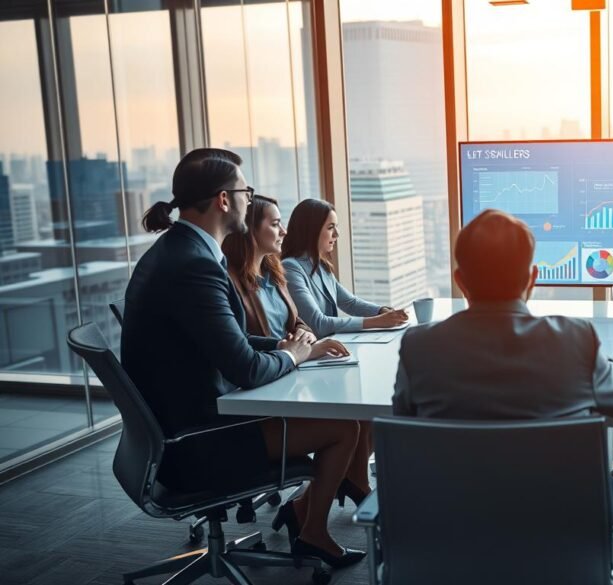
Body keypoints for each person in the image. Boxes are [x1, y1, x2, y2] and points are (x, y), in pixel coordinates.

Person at [122, 148, 365, 570]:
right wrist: (293, 355)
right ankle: (313, 535)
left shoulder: (177, 253)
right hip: (194, 443)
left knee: (345, 421)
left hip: (176, 429)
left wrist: (286, 348)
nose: (249, 199)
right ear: (222, 200)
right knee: (345, 428)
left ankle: (308, 521)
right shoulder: (194, 266)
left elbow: (231, 341)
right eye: (244, 191)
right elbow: (246, 370)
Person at [393, 209, 613, 423]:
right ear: (532, 278)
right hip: (558, 484)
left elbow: (403, 424)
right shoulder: (575, 341)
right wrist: (598, 357)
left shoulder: (418, 346)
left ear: (459, 280)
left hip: (450, 484)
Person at [222, 193, 373, 511]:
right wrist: (293, 348)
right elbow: (246, 343)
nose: (283, 231)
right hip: (266, 388)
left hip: (289, 372)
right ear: (250, 231)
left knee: (364, 412)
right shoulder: (233, 284)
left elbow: (301, 322)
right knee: (348, 426)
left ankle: (353, 483)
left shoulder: (273, 272)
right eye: (275, 224)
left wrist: (302, 336)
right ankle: (306, 516)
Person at [282, 199, 408, 338]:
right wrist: (377, 321)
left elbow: (350, 302)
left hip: (329, 347)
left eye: (336, 226)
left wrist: (381, 311)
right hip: (312, 352)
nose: (337, 234)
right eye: (330, 227)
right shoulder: (291, 268)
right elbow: (317, 324)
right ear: (311, 231)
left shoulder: (321, 265)